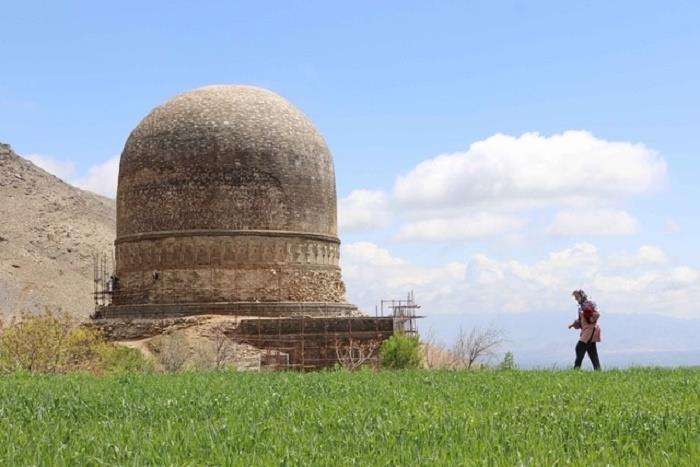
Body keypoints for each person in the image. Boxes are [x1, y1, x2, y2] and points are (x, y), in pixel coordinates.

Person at [568, 289, 602, 370]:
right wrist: (574, 324)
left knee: (579, 348)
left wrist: (590, 318)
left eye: (577, 297)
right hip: (586, 330)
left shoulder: (590, 303)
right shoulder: (580, 307)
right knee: (592, 351)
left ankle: (576, 369)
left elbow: (597, 314)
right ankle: (598, 370)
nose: (576, 299)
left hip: (591, 330)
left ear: (581, 295)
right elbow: (581, 321)